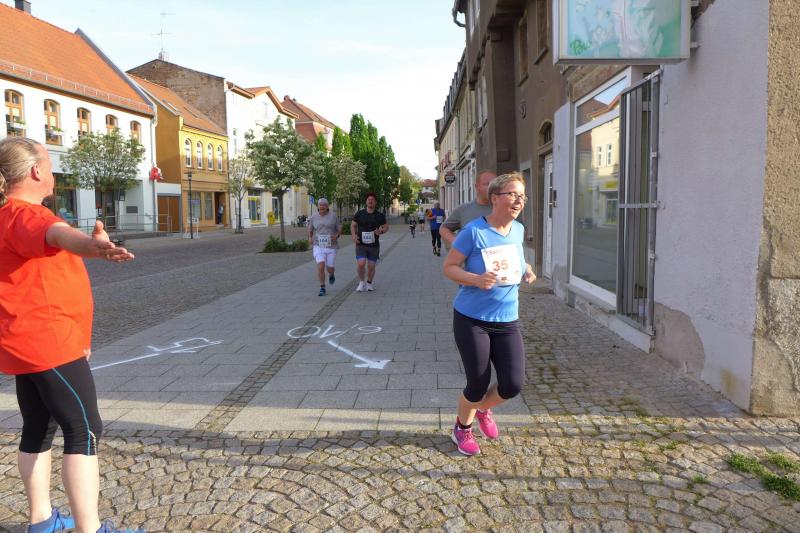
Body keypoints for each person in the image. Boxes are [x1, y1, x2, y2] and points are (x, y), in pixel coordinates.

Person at [0, 137, 142, 533]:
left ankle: (41, 521)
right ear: (35, 171)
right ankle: (88, 529)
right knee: (84, 431)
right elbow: (59, 235)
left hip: (25, 342)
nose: (52, 171)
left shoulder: (7, 214)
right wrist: (92, 246)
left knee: (38, 427)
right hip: (50, 343)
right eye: (48, 163)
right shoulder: (28, 215)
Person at [442, 172, 536, 456]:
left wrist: (527, 269)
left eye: (522, 196)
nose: (519, 200)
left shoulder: (518, 229)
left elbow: (518, 259)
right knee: (477, 383)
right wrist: (476, 279)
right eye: (513, 194)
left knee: (512, 384)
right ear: (495, 198)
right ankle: (462, 427)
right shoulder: (473, 231)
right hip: (472, 320)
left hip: (507, 321)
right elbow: (449, 268)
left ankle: (483, 409)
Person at [440, 170, 496, 248]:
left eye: (494, 184)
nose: (491, 188)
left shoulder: (504, 208)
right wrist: (456, 242)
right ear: (476, 186)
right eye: (487, 184)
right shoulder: (463, 210)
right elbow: (444, 228)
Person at [351, 192, 388, 292]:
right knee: (361, 264)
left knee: (371, 266)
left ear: (375, 202)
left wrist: (381, 231)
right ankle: (361, 282)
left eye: (372, 200)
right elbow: (353, 225)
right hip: (361, 244)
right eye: (369, 199)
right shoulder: (360, 214)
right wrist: (354, 235)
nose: (370, 201)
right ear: (366, 202)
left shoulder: (379, 215)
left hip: (373, 245)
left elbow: (386, 227)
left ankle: (369, 283)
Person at [308, 198, 341, 296]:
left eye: (324, 205)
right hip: (318, 245)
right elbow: (310, 229)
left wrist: (336, 235)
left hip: (331, 246)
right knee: (321, 265)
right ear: (318, 206)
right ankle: (322, 287)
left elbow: (339, 229)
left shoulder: (333, 216)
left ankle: (331, 273)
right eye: (320, 205)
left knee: (329, 268)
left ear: (327, 206)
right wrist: (310, 237)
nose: (322, 206)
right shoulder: (314, 217)